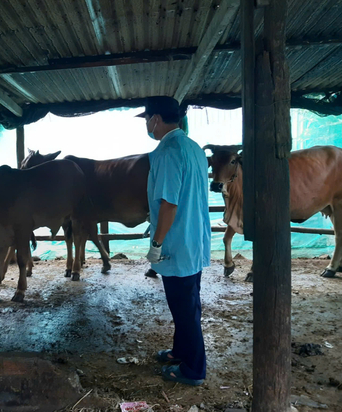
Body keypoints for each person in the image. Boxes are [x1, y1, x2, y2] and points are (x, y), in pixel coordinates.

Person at [137, 96, 211, 386]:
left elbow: (169, 204)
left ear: (156, 118)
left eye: (147, 118)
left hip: (177, 244)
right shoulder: (192, 147)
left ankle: (194, 369)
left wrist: (156, 244)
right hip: (194, 239)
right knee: (187, 305)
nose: (146, 124)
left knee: (185, 308)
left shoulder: (168, 151)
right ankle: (181, 351)